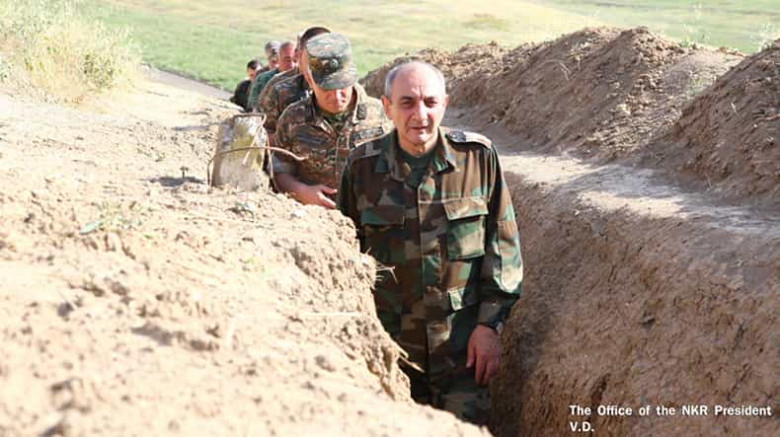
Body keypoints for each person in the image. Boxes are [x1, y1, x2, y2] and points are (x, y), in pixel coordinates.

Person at [337, 61, 523, 425]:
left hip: (462, 351)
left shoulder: (478, 159)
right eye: (407, 102)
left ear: (445, 104)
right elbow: (343, 256)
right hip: (392, 352)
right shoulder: (362, 168)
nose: (420, 115)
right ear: (387, 106)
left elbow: (503, 246)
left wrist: (490, 327)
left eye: (430, 102)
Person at [273, 33, 392, 208]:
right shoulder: (293, 119)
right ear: (310, 80)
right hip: (314, 216)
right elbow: (280, 172)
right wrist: (301, 192)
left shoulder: (382, 115)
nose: (336, 97)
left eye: (342, 85)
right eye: (327, 88)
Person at [255, 26, 330, 141]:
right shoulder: (280, 89)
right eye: (314, 55)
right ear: (299, 55)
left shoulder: (343, 89)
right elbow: (260, 131)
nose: (320, 62)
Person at [247, 40, 296, 112]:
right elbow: (253, 108)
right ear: (278, 59)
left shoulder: (304, 80)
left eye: (295, 60)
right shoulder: (262, 80)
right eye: (287, 60)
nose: (292, 65)